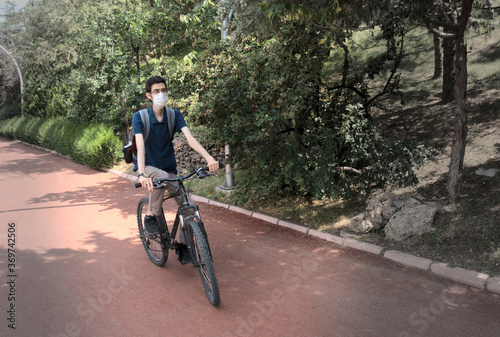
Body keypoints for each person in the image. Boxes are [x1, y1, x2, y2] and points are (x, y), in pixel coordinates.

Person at [133, 75, 219, 262]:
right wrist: (141, 174)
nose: (161, 94)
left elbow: (190, 139)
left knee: (187, 205)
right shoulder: (140, 117)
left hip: (169, 168)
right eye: (156, 91)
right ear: (149, 95)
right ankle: (150, 217)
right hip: (148, 166)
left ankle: (184, 244)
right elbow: (140, 147)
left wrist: (209, 157)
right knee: (161, 177)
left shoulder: (174, 115)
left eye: (163, 90)